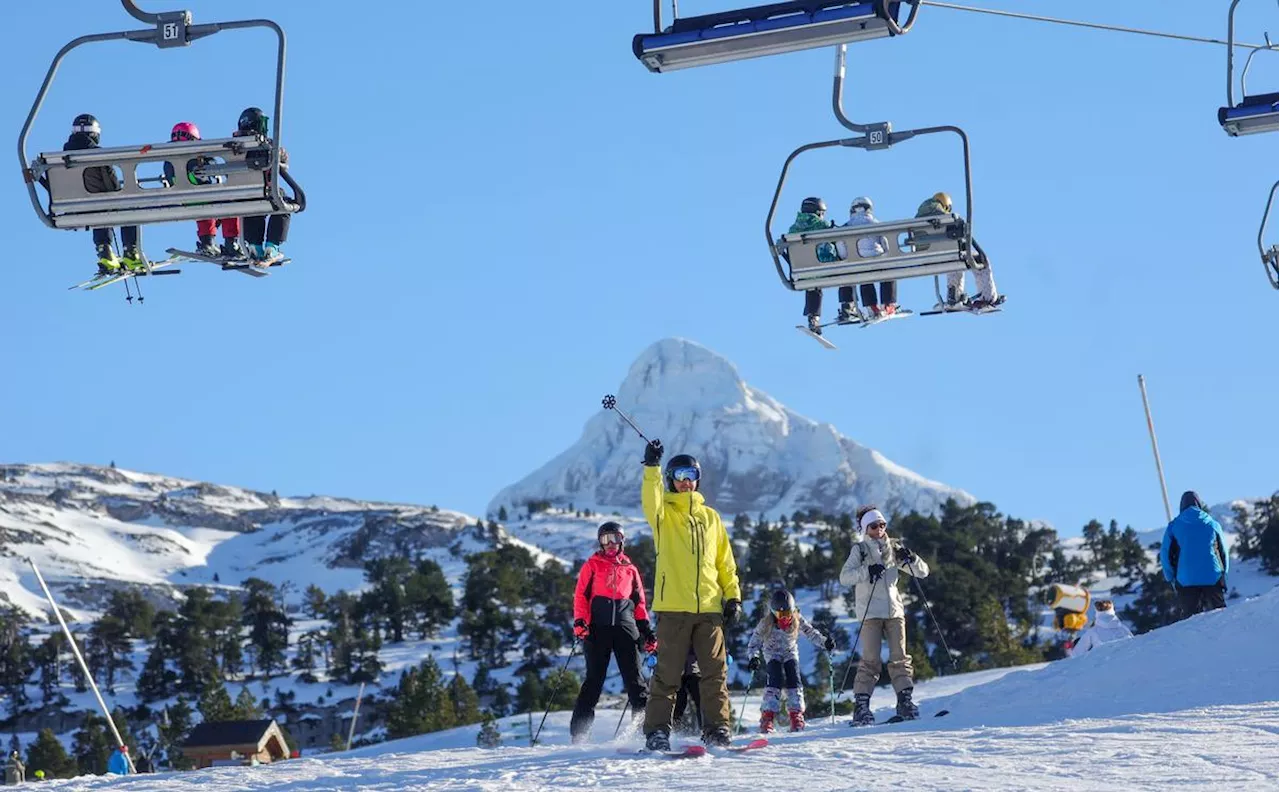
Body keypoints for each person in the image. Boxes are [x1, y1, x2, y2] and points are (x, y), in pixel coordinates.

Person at [640, 440, 742, 751]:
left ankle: (717, 730)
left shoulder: (711, 518)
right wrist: (652, 468)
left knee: (714, 675)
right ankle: (657, 732)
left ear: (697, 479)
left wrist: (733, 597)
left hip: (709, 609)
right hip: (673, 608)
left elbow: (725, 562)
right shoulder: (663, 514)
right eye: (680, 474)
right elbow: (650, 500)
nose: (686, 480)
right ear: (671, 479)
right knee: (667, 676)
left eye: (691, 474)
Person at [839, 505, 931, 726]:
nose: (879, 529)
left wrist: (912, 558)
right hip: (870, 613)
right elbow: (845, 577)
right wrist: (867, 571)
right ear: (865, 529)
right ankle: (861, 707)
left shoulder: (894, 548)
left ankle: (905, 701)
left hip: (894, 611)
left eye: (882, 524)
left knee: (900, 658)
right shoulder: (860, 551)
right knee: (870, 660)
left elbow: (923, 572)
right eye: (873, 526)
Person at [569, 521, 655, 743]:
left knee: (635, 681)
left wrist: (646, 631)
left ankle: (643, 731)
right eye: (605, 539)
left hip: (626, 629)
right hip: (598, 629)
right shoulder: (592, 565)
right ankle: (580, 734)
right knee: (594, 681)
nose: (609, 544)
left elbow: (639, 603)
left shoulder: (630, 569)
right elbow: (581, 597)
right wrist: (581, 621)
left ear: (622, 541)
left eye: (614, 538)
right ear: (599, 541)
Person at [60, 114, 144, 275]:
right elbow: (111, 183)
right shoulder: (97, 155)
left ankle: (104, 250)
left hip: (73, 206)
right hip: (100, 203)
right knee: (128, 204)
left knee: (97, 207)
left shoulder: (61, 159)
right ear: (94, 133)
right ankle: (131, 252)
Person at [746, 588, 834, 733]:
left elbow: (811, 633)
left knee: (794, 678)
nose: (785, 618)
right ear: (774, 613)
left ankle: (796, 715)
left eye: (788, 613)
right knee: (775, 679)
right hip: (772, 653)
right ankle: (767, 718)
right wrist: (754, 657)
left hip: (790, 653)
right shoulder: (766, 623)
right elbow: (753, 643)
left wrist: (825, 642)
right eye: (781, 614)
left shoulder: (797, 618)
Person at [915, 192, 1003, 311]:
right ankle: (988, 297)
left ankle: (954, 297)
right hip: (946, 255)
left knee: (954, 257)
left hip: (922, 256)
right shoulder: (944, 217)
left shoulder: (920, 216)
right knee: (978, 259)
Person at [164, 121, 232, 258]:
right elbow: (212, 168)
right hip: (203, 194)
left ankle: (207, 241)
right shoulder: (197, 157)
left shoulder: (168, 159)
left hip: (184, 198)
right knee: (231, 203)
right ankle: (231, 242)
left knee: (204, 209)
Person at [234, 106, 292, 263]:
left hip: (240, 196)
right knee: (283, 204)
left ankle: (254, 245)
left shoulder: (233, 146)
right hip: (264, 192)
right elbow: (283, 159)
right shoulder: (265, 145)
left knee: (253, 208)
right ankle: (272, 246)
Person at [1160, 491, 1230, 617]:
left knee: (1190, 619)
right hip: (1213, 576)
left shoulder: (1173, 526)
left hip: (1186, 578)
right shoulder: (1212, 524)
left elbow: (1165, 555)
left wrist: (1170, 577)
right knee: (1221, 615)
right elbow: (1223, 551)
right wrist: (1224, 572)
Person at [790, 197, 839, 335]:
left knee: (813, 285)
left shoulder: (793, 228)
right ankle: (848, 305)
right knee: (845, 274)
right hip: (822, 266)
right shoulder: (822, 225)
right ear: (817, 213)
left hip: (801, 270)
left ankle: (813, 316)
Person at [841, 197, 897, 319]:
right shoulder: (876, 224)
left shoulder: (846, 226)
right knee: (888, 274)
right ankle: (888, 304)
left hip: (857, 263)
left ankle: (871, 306)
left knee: (864, 279)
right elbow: (886, 243)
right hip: (877, 259)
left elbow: (841, 247)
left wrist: (845, 257)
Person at [671, 647, 702, 735]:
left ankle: (705, 731)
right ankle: (672, 732)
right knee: (677, 703)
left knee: (701, 700)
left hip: (694, 669)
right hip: (676, 669)